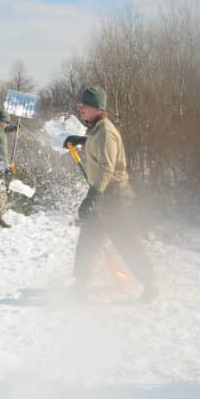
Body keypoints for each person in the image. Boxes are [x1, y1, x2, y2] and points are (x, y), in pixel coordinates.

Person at [63, 86, 158, 302]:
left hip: (115, 197)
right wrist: (81, 141)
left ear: (98, 108)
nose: (80, 109)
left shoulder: (106, 132)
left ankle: (150, 284)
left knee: (126, 242)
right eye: (80, 105)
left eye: (84, 106)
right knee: (88, 239)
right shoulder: (95, 130)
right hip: (102, 195)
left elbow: (107, 167)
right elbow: (96, 145)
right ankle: (80, 285)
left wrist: (92, 196)